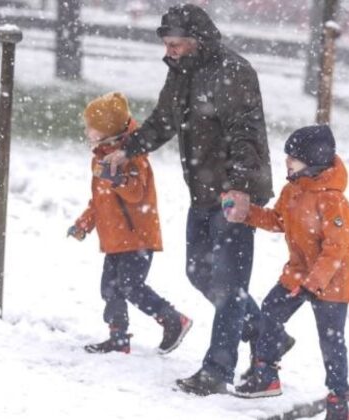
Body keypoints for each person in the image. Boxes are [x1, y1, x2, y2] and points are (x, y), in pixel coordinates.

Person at [103, 4, 274, 395]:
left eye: (176, 44)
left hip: (233, 193)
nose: (170, 51)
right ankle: (268, 336)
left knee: (230, 286)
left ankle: (217, 370)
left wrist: (240, 189)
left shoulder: (233, 72)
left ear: (198, 41)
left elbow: (245, 134)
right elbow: (163, 120)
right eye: (167, 44)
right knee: (200, 273)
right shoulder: (182, 73)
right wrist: (127, 150)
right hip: (202, 189)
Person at [229, 125, 349, 420]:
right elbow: (277, 220)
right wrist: (246, 212)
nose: (288, 160)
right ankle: (267, 373)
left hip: (332, 281)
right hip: (299, 273)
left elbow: (336, 248)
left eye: (294, 157)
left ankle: (338, 402)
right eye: (288, 155)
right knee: (271, 310)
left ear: (314, 160)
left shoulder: (333, 200)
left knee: (331, 340)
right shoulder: (293, 191)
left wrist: (314, 283)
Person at [68, 92, 193, 355]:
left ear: (107, 131)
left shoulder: (133, 158)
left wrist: (117, 179)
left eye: (91, 126)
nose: (87, 130)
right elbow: (100, 201)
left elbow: (136, 193)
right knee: (109, 288)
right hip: (115, 239)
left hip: (137, 237)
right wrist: (84, 224)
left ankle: (173, 319)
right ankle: (118, 337)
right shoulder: (101, 158)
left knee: (131, 286)